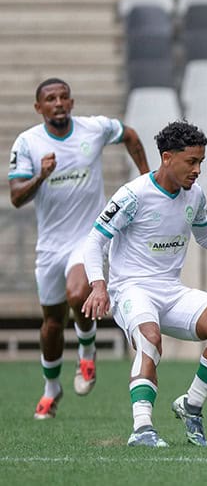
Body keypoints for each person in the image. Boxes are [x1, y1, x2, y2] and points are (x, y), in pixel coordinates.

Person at [81, 120, 207, 448]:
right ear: (167, 158)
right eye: (191, 161)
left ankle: (192, 405)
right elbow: (94, 241)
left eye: (201, 162)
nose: (197, 170)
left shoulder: (195, 195)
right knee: (150, 340)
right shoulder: (133, 195)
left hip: (171, 291)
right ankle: (142, 428)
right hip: (131, 289)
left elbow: (206, 235)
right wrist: (98, 285)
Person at [8, 78, 150, 420]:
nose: (58, 102)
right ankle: (51, 390)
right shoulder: (28, 142)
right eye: (50, 98)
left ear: (71, 103)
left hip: (88, 238)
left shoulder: (94, 129)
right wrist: (40, 176)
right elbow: (16, 197)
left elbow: (130, 135)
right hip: (50, 246)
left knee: (77, 293)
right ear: (38, 107)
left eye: (63, 97)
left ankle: (87, 350)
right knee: (52, 323)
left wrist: (146, 180)